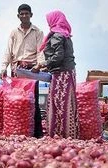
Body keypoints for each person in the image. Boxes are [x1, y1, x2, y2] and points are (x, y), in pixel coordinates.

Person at [32, 10, 78, 139]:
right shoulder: (66, 35)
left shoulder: (57, 35)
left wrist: (42, 65)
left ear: (54, 20)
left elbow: (58, 56)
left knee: (58, 104)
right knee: (67, 103)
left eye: (49, 21)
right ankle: (69, 134)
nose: (48, 24)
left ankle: (58, 134)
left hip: (61, 75)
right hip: (69, 72)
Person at [0, 3, 44, 138]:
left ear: (31, 15)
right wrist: (3, 67)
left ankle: (36, 133)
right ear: (18, 16)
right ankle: (16, 131)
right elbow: (8, 51)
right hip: (17, 70)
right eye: (22, 13)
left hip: (31, 70)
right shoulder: (14, 32)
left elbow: (41, 50)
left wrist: (39, 65)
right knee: (16, 100)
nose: (24, 15)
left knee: (32, 100)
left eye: (27, 13)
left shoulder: (38, 32)